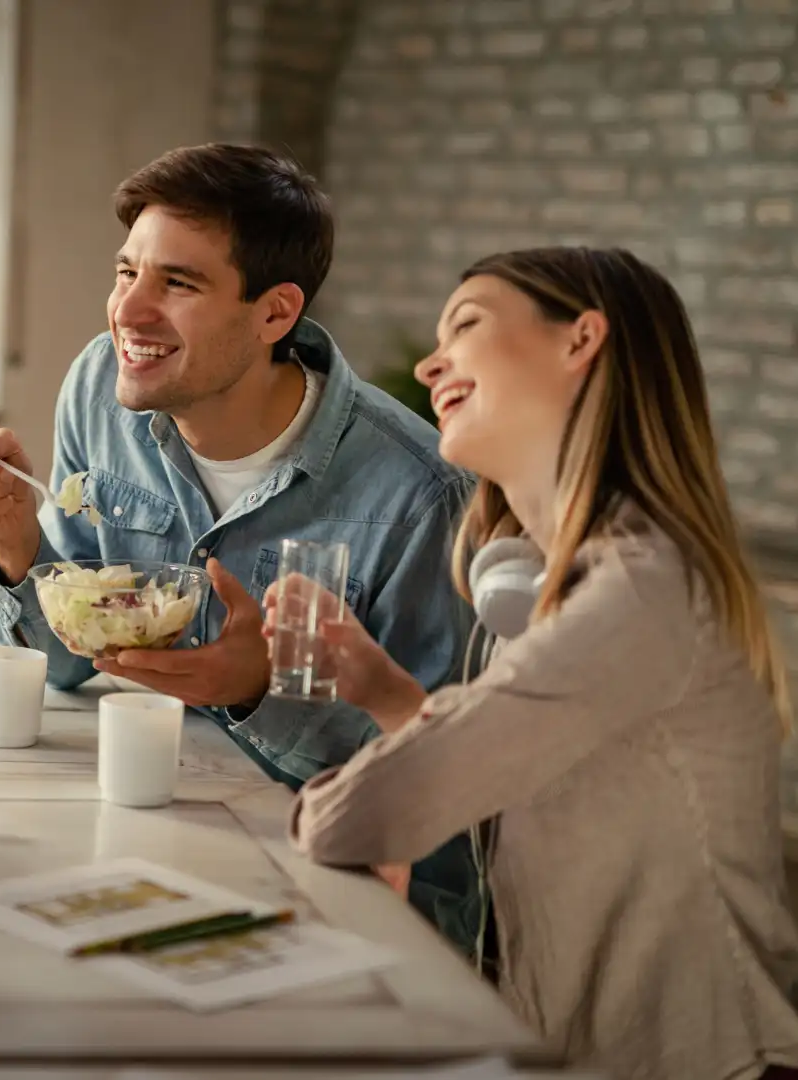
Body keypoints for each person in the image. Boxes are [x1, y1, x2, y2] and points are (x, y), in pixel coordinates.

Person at [0, 144, 480, 948]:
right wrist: (18, 541)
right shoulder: (99, 386)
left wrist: (261, 693)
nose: (130, 312)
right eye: (126, 273)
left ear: (274, 313)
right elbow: (71, 664)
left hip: (326, 897)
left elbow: (447, 794)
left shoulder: (418, 496)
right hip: (139, 828)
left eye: (177, 284)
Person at [286, 246, 798, 1080]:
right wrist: (393, 699)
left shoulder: (639, 593)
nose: (428, 361)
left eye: (469, 324)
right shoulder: (538, 580)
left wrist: (382, 778)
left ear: (580, 340)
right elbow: (523, 784)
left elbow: (371, 813)